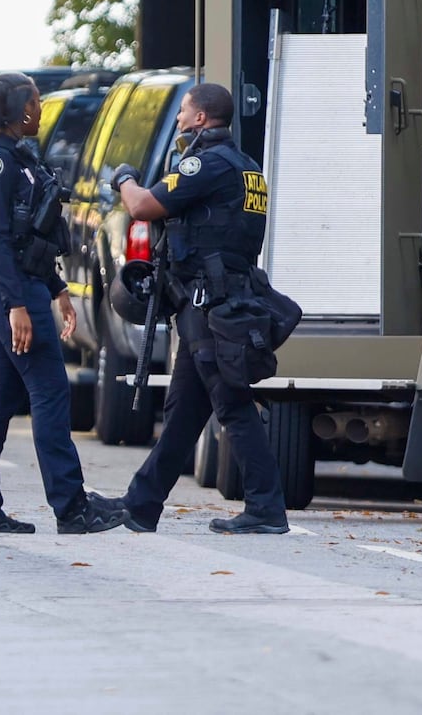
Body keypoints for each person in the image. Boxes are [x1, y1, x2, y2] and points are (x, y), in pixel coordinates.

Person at [107, 83, 289, 535]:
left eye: (184, 112)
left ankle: (266, 509)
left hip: (210, 303)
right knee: (184, 411)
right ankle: (141, 503)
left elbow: (143, 206)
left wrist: (124, 178)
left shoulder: (206, 163)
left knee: (231, 402)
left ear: (202, 118)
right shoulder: (247, 168)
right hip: (216, 302)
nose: (181, 120)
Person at [0, 73, 127, 535]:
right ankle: (71, 507)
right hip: (4, 286)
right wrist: (17, 304)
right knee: (50, 392)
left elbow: (28, 233)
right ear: (14, 111)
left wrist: (56, 288)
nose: (39, 110)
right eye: (33, 102)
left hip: (23, 283)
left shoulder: (19, 157)